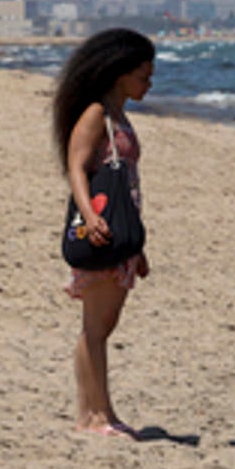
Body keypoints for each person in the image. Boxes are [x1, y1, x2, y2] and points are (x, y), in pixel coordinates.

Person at [50, 29, 155, 436]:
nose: (149, 84)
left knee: (104, 326)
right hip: (100, 232)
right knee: (95, 328)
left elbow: (128, 186)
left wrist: (138, 243)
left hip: (121, 235)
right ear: (120, 75)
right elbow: (76, 166)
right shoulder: (96, 114)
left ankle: (103, 413)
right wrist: (88, 217)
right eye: (143, 76)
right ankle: (91, 417)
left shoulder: (120, 116)